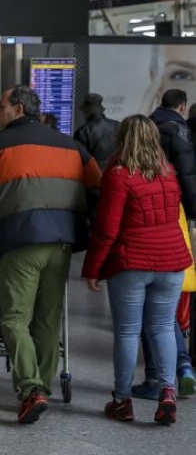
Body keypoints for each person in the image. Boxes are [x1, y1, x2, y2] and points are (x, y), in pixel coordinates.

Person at [0, 86, 101, 424]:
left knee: (14, 318)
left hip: (20, 241)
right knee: (48, 319)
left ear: (17, 109)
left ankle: (31, 388)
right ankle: (44, 388)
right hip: (62, 244)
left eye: (0, 105)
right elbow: (97, 187)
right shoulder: (72, 146)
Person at [82, 114, 191, 425]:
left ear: (123, 138)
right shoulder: (168, 172)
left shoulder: (118, 175)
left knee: (128, 332)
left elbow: (106, 230)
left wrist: (93, 269)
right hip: (172, 262)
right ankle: (167, 393)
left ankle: (122, 400)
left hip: (132, 263)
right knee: (163, 328)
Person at [133, 88, 196, 399]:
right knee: (168, 310)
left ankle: (155, 378)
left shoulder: (126, 169)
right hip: (177, 229)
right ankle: (182, 366)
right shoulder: (179, 134)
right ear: (181, 106)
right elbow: (188, 179)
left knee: (147, 315)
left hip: (140, 247)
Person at [74, 93, 120, 171]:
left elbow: (79, 159)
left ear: (87, 110)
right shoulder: (118, 126)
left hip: (94, 176)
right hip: (115, 173)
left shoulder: (83, 131)